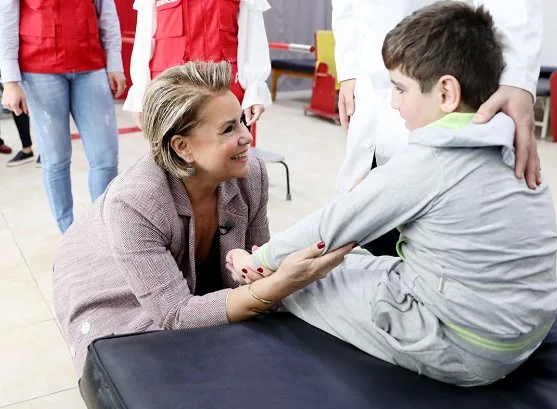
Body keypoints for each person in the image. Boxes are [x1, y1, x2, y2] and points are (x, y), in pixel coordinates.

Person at [228, 2, 557, 387]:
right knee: (356, 262)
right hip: (525, 330)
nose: (392, 101)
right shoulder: (510, 144)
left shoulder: (426, 163)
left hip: (464, 345)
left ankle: (256, 274)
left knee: (301, 277)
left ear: (446, 93)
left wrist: (264, 258)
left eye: (400, 89)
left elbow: (331, 225)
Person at [53, 61, 353, 374]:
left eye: (241, 122)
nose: (246, 137)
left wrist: (262, 270)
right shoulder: (135, 203)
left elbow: (258, 267)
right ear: (182, 147)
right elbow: (175, 315)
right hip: (114, 293)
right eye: (228, 129)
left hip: (175, 287)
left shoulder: (251, 176)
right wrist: (281, 283)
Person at [332, 0, 543, 256]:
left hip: (441, 85)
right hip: (375, 95)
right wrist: (350, 69)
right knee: (365, 237)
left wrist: (517, 79)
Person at [0, 0, 126, 233]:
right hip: (39, 70)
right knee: (56, 160)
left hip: (91, 65)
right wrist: (9, 80)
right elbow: (5, 20)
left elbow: (107, 12)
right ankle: (68, 233)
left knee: (105, 158)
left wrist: (114, 63)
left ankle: (104, 231)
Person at [123, 0, 272, 130]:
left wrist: (255, 89)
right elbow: (144, 40)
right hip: (172, 95)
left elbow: (253, 35)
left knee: (228, 159)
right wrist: (140, 95)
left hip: (226, 93)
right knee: (172, 159)